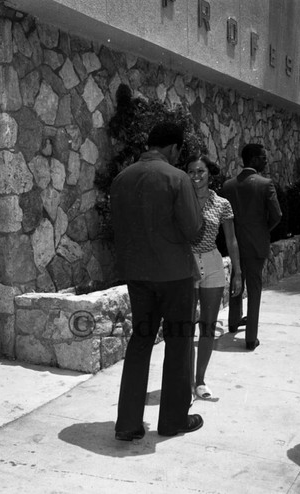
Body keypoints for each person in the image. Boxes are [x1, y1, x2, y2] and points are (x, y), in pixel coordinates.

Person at [111, 122, 204, 440]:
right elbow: (194, 230)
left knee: (140, 342)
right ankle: (174, 420)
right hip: (175, 275)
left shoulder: (122, 178)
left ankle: (127, 423)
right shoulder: (178, 178)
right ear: (174, 148)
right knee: (178, 344)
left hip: (137, 274)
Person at [186, 155, 242, 400]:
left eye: (200, 171)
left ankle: (200, 381)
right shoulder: (181, 199)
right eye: (191, 171)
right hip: (185, 264)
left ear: (209, 173)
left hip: (212, 262)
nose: (196, 176)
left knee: (207, 327)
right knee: (185, 328)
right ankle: (185, 381)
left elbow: (231, 240)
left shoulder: (222, 204)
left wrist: (237, 272)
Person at [220, 144, 282, 350]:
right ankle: (250, 337)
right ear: (254, 160)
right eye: (263, 157)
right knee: (254, 290)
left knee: (236, 281)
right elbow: (277, 215)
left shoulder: (228, 186)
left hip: (235, 243)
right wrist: (264, 230)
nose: (266, 161)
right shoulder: (266, 184)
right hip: (257, 244)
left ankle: (233, 321)